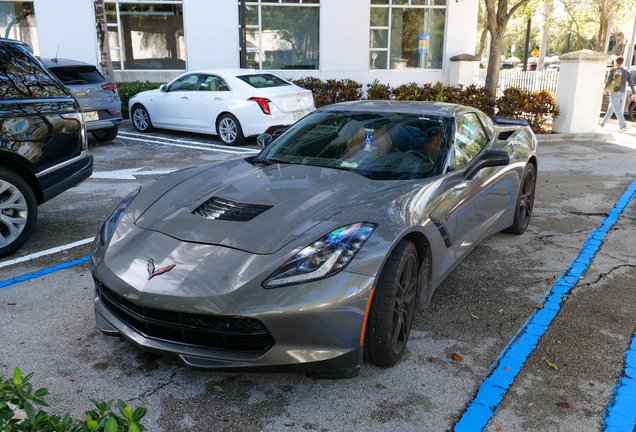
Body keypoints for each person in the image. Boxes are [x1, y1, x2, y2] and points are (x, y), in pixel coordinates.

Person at [600, 56, 636, 132]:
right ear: (622, 62)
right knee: (611, 108)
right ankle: (602, 123)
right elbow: (632, 83)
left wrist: (605, 88)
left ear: (616, 62)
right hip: (622, 93)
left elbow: (608, 80)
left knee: (617, 109)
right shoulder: (626, 72)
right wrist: (634, 93)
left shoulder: (613, 70)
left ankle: (623, 126)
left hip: (614, 92)